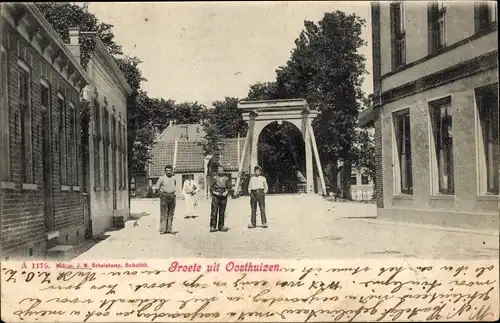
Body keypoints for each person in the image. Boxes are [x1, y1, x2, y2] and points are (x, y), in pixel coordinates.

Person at [155, 165, 177, 234]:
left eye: (170, 170)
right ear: (165, 171)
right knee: (164, 213)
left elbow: (174, 185)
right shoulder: (162, 178)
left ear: (171, 171)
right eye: (167, 171)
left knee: (171, 213)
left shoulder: (174, 178)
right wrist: (161, 195)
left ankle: (169, 229)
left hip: (172, 196)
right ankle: (162, 229)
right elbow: (157, 187)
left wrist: (172, 194)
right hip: (164, 196)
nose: (168, 172)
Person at [209, 165, 230, 232]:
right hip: (216, 195)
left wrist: (226, 192)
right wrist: (215, 192)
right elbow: (211, 188)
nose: (220, 172)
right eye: (219, 170)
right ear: (217, 171)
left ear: (224, 171)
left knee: (222, 211)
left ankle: (221, 226)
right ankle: (213, 226)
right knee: (214, 211)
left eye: (222, 170)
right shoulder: (214, 178)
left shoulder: (226, 178)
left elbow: (229, 187)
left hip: (223, 195)